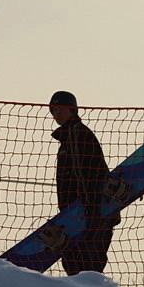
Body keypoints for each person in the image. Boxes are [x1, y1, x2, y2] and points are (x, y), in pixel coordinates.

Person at [48, 90, 119, 275]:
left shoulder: (78, 135)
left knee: (88, 266)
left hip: (89, 213)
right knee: (74, 265)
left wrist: (90, 208)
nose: (57, 113)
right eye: (53, 110)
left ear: (72, 109)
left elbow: (85, 174)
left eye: (60, 108)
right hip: (76, 214)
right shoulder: (67, 139)